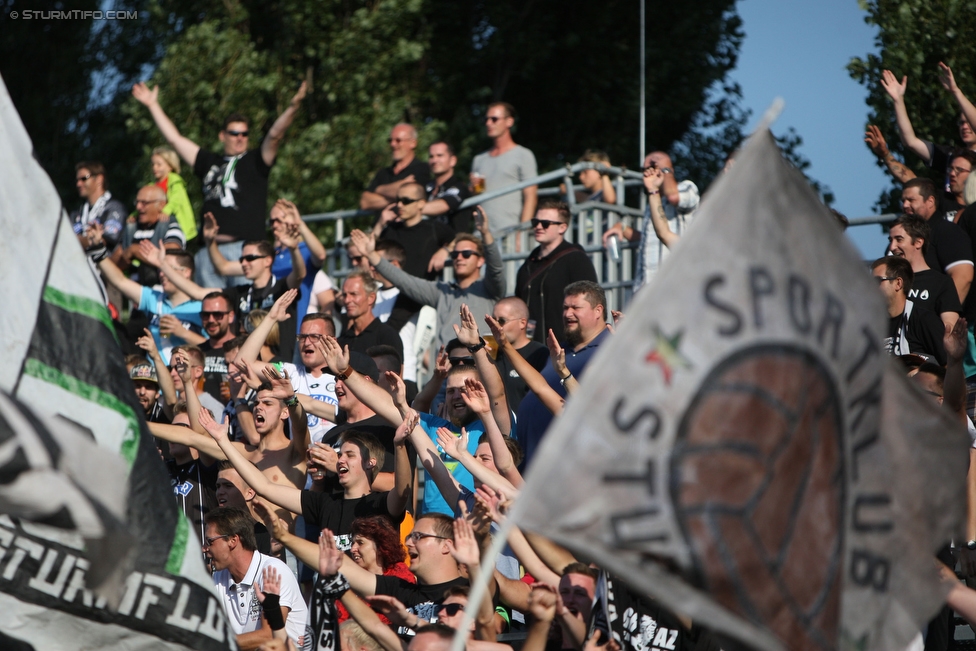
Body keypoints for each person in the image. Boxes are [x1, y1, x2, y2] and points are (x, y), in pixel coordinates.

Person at [132, 79, 307, 288]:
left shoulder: (255, 161)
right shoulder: (208, 162)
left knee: (245, 314)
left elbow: (275, 135)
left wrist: (293, 106)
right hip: (209, 251)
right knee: (210, 314)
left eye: (245, 134)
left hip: (246, 250)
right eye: (234, 133)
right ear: (222, 136)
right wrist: (153, 105)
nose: (240, 138)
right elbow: (175, 140)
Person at [200, 405, 410, 549]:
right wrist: (222, 441)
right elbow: (263, 487)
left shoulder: (379, 504)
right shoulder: (323, 504)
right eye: (339, 455)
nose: (340, 460)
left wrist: (399, 445)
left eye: (349, 455)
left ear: (369, 462)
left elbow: (402, 490)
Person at [350, 206, 505, 354]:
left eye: (466, 254)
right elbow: (404, 281)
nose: (459, 258)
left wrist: (485, 234)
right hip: (447, 372)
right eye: (455, 254)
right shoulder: (443, 291)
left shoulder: (489, 288)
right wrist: (371, 255)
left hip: (481, 371)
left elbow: (496, 269)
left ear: (480, 260)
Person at [149, 237, 305, 362]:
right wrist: (163, 266)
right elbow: (197, 293)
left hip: (279, 365)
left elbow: (299, 275)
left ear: (268, 261)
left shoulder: (282, 287)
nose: (243, 263)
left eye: (250, 258)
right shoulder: (240, 292)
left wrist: (294, 249)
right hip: (246, 365)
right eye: (242, 259)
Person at [516, 281, 610, 467]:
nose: (568, 314)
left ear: (598, 310)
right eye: (565, 308)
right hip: (531, 463)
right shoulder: (559, 350)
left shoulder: (611, 349)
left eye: (576, 307)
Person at [204, 507, 308, 648]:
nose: (205, 548)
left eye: (210, 541)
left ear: (233, 540)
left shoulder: (272, 570)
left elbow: (269, 635)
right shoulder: (217, 578)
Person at [601, 151, 699, 290]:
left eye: (652, 166)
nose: (648, 172)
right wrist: (622, 228)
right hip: (645, 285)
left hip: (674, 284)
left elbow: (673, 197)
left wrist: (665, 168)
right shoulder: (652, 201)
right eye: (644, 169)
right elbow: (651, 238)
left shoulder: (686, 187)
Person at [93, 239, 205, 361]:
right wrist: (99, 250)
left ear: (186, 272)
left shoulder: (203, 307)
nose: (162, 274)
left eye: (168, 268)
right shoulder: (154, 298)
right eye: (160, 269)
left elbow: (214, 346)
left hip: (184, 376)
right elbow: (120, 281)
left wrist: (183, 332)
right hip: (154, 375)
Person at [515, 200, 598, 343]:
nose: (538, 227)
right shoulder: (528, 264)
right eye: (535, 222)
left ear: (562, 227)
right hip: (532, 349)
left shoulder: (576, 259)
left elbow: (591, 304)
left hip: (565, 346)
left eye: (545, 223)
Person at [879, 63, 976, 179]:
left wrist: (955, 91)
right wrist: (898, 100)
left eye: (969, 122)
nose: (964, 127)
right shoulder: (952, 157)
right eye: (961, 123)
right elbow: (910, 141)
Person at [901, 177, 973, 304]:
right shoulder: (900, 239)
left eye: (911, 200)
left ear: (930, 201)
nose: (905, 205)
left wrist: (945, 316)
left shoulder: (947, 232)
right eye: (903, 201)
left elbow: (963, 276)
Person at [470, 102, 538, 231]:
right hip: (481, 233)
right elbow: (476, 199)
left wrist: (522, 233)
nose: (488, 123)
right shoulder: (479, 160)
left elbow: (531, 197)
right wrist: (473, 190)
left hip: (510, 232)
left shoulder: (523, 155)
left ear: (509, 122)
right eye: (486, 119)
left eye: (494, 119)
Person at [887, 214, 961, 329]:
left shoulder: (941, 283)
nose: (892, 247)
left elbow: (950, 331)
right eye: (890, 240)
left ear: (918, 242)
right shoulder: (887, 281)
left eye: (899, 239)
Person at [871, 256, 947, 365]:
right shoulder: (872, 325)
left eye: (878, 280)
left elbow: (950, 367)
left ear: (898, 283)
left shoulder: (924, 320)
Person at [371, 182, 456, 278]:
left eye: (405, 201)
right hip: (393, 290)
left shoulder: (434, 228)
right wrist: (380, 224)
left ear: (421, 204)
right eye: (398, 200)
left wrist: (445, 250)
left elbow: (459, 240)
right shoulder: (391, 228)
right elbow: (368, 249)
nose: (399, 205)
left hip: (422, 290)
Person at [167, 402, 219, 552]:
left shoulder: (209, 468)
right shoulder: (162, 469)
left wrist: (187, 382)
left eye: (181, 428)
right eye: (171, 428)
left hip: (202, 564)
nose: (172, 433)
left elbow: (204, 439)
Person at [113, 184, 186, 286]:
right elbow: (115, 261)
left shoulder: (170, 226)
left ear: (161, 205)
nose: (138, 207)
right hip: (133, 291)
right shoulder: (133, 227)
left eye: (144, 203)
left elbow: (170, 257)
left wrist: (134, 250)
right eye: (137, 202)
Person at [488, 297, 549, 409]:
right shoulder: (492, 354)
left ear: (522, 323)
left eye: (501, 321)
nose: (495, 326)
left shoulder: (540, 353)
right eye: (493, 320)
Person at [360, 123, 432, 211]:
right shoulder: (383, 173)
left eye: (398, 140)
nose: (393, 144)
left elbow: (414, 195)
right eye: (390, 140)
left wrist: (379, 189)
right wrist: (401, 195)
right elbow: (365, 202)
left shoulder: (422, 169)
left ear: (413, 143)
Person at [337, 270, 405, 360]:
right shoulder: (343, 339)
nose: (347, 300)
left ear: (371, 298)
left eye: (354, 294)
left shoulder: (386, 336)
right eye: (345, 295)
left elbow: (395, 374)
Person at [71, 161, 126, 250]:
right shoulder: (77, 213)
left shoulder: (114, 208)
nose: (78, 184)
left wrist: (74, 240)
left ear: (99, 179)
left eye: (84, 179)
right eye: (77, 180)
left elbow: (103, 241)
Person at [424, 141, 474, 233]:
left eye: (440, 156)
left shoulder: (459, 187)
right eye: (431, 156)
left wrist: (411, 208)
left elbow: (443, 205)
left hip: (453, 244)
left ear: (453, 161)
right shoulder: (426, 187)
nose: (434, 160)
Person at [151, 145, 198, 241]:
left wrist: (166, 211)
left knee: (162, 224)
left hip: (175, 221)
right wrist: (134, 215)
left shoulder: (175, 182)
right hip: (156, 221)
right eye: (153, 164)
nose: (154, 168)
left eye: (159, 164)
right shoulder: (152, 186)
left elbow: (176, 200)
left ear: (170, 166)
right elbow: (145, 203)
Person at [199, 291, 238, 401]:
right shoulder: (197, 352)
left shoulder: (242, 350)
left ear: (230, 316)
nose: (211, 320)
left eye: (217, 315)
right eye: (205, 315)